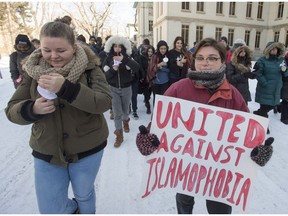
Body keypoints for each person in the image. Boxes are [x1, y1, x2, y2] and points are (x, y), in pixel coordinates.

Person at [136, 37, 274, 214]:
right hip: (184, 163)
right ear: (194, 62)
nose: (205, 62)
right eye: (200, 58)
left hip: (220, 170)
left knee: (220, 208)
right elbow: (159, 125)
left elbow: (248, 133)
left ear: (223, 61)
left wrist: (258, 151)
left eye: (212, 58)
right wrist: (147, 139)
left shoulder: (233, 95)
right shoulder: (178, 89)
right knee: (184, 199)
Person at [5, 17, 112, 214]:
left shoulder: (90, 68)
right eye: (47, 50)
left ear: (73, 47)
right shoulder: (32, 71)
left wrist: (66, 88)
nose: (53, 56)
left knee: (84, 193)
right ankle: (71, 209)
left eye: (60, 50)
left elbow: (104, 102)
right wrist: (32, 109)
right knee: (50, 208)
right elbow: (11, 110)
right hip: (47, 151)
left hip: (87, 148)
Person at [103, 35, 140, 147]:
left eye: (120, 46)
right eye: (115, 46)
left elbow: (137, 68)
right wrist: (113, 69)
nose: (117, 48)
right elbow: (105, 76)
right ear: (112, 47)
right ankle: (119, 135)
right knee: (117, 112)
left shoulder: (128, 57)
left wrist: (124, 60)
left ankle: (126, 121)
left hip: (126, 88)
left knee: (125, 110)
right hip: (113, 88)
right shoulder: (108, 59)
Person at [253, 41, 288, 133]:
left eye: (275, 49)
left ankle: (258, 113)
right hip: (265, 89)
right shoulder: (262, 60)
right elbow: (258, 74)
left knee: (272, 106)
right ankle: (264, 127)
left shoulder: (281, 60)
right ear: (268, 50)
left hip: (276, 90)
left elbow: (285, 74)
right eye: (272, 49)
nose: (274, 50)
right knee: (264, 109)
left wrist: (285, 70)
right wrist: (265, 83)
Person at [146, 40, 171, 106]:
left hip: (165, 82)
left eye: (164, 49)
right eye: (161, 48)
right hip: (155, 82)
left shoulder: (168, 56)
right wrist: (159, 65)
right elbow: (150, 69)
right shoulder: (154, 56)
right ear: (158, 48)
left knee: (164, 100)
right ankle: (155, 115)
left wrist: (162, 68)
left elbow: (170, 70)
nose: (163, 50)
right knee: (156, 100)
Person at [279, 52, 288, 124]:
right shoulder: (284, 61)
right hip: (286, 83)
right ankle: (284, 117)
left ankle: (278, 107)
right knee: (286, 100)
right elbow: (284, 72)